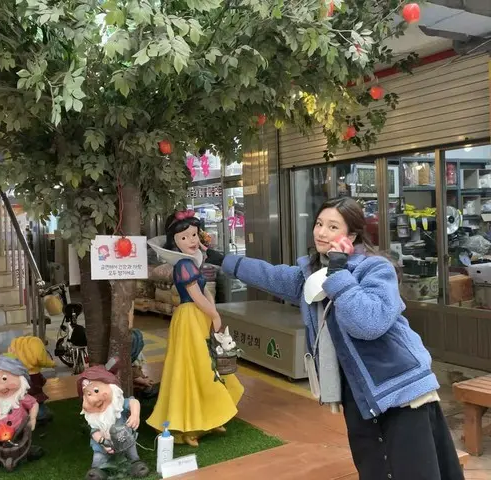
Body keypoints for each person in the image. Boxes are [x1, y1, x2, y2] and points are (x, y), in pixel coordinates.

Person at [204, 196, 463, 480]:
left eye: (332, 227)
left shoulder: (374, 269)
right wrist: (223, 260)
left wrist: (340, 273)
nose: (322, 233)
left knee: (415, 470)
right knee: (374, 466)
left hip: (400, 387)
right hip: (358, 391)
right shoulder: (312, 275)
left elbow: (368, 323)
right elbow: (270, 275)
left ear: (351, 235)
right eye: (318, 224)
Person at [146, 210, 244, 447]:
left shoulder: (191, 264)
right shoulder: (183, 267)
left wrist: (213, 312)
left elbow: (205, 291)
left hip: (197, 317)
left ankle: (211, 417)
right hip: (190, 317)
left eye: (193, 235)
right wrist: (214, 314)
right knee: (194, 367)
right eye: (184, 237)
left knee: (206, 365)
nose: (191, 241)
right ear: (175, 244)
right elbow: (195, 295)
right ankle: (190, 426)